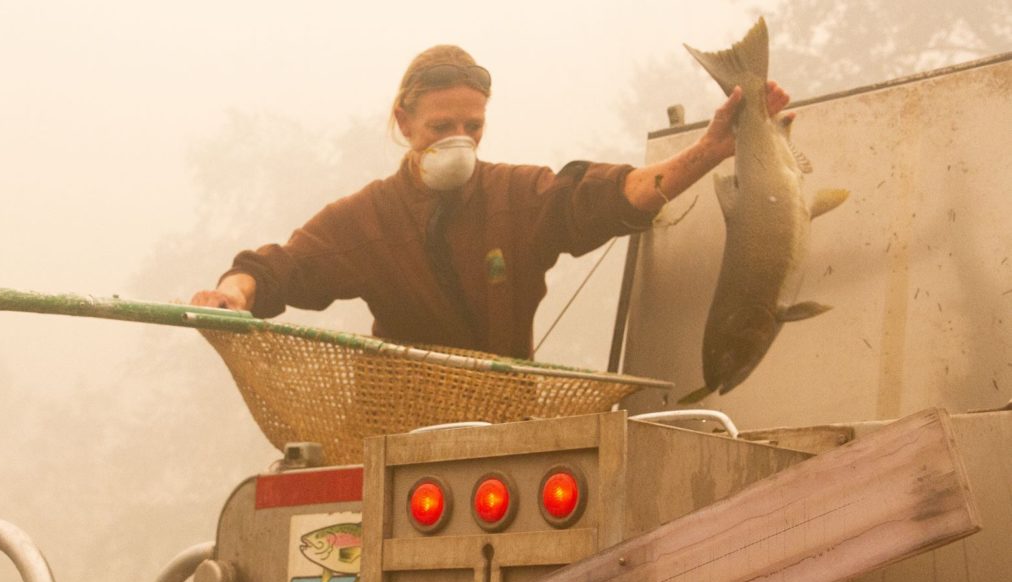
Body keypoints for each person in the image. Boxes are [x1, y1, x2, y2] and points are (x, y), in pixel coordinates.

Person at [191, 44, 791, 360]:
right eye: (440, 126)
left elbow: (606, 196)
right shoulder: (367, 218)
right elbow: (277, 269)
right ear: (403, 121)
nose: (459, 139)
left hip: (508, 432)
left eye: (472, 127)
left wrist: (712, 150)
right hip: (404, 437)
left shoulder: (517, 196)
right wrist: (232, 293)